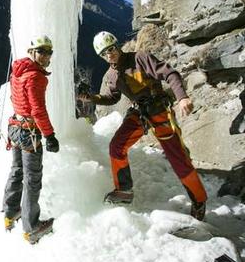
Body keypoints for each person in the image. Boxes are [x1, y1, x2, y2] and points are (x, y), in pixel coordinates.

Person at [79, 31, 207, 220]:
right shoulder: (111, 75)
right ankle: (124, 190)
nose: (110, 54)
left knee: (177, 157)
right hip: (139, 113)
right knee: (117, 146)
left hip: (159, 110)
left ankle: (199, 200)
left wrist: (182, 97)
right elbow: (111, 98)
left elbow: (169, 73)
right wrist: (89, 97)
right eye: (104, 53)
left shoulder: (140, 58)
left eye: (112, 49)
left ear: (117, 45)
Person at [3, 35, 60, 243]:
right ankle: (31, 227)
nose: (46, 56)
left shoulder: (18, 71)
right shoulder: (36, 77)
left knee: (17, 170)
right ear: (32, 52)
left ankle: (10, 214)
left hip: (15, 128)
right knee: (32, 178)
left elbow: (16, 99)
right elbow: (37, 109)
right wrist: (50, 135)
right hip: (29, 132)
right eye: (42, 52)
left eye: (49, 52)